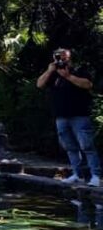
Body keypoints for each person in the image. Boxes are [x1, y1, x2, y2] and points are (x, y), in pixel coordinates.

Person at [36, 48, 100, 187]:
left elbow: (88, 84)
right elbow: (39, 84)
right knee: (70, 147)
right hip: (61, 117)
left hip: (79, 115)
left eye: (64, 57)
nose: (61, 60)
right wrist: (49, 71)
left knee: (87, 146)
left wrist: (68, 76)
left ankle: (96, 176)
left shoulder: (79, 70)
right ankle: (78, 175)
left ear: (70, 58)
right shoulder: (53, 73)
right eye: (58, 57)